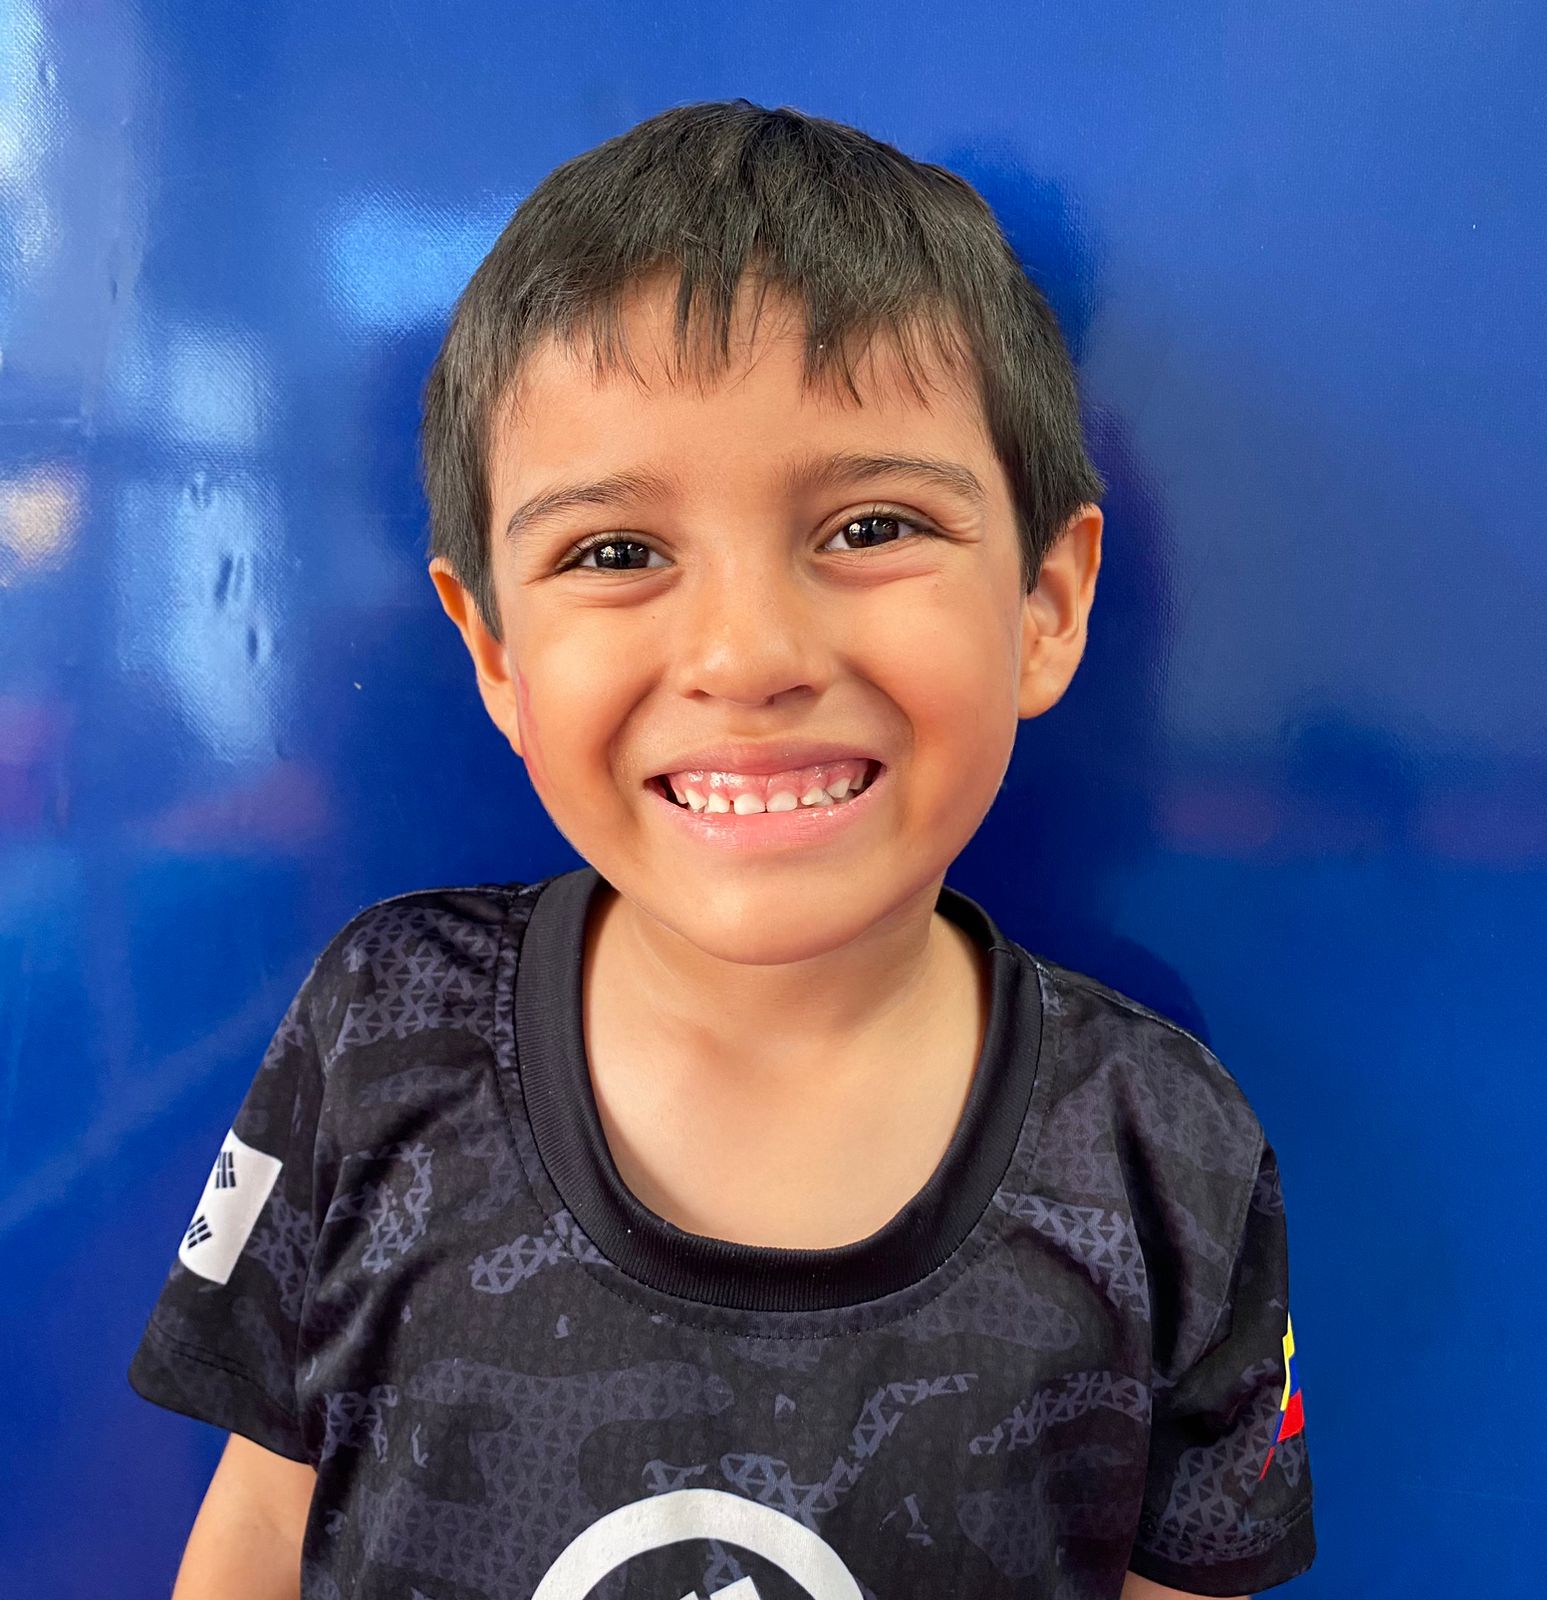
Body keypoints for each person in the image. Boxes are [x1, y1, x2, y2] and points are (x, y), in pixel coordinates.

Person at [127, 99, 1314, 1599]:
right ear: (494, 655)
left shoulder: (1166, 1153)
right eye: (617, 553)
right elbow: (258, 1526)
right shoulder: (379, 1034)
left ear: (1047, 606)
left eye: (871, 527)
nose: (749, 657)